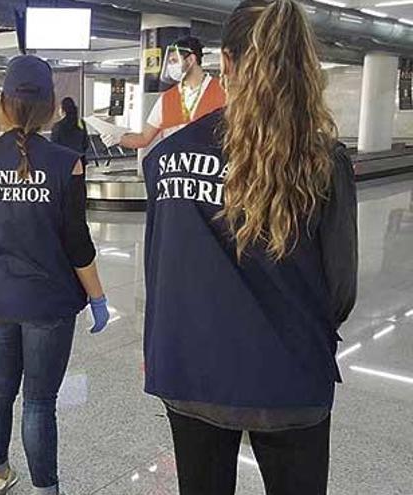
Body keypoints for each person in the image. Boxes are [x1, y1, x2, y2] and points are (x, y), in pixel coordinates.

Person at [141, 1, 358, 494]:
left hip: (189, 369)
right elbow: (340, 288)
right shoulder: (323, 161)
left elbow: (161, 266)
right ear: (304, 63)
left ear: (227, 62)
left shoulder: (169, 158)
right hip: (289, 378)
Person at [0, 55, 110, 495]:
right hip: (48, 302)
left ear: (3, 104)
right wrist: (98, 298)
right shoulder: (67, 162)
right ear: (49, 106)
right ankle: (45, 489)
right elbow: (77, 243)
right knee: (39, 401)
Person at [120, 36, 225, 150]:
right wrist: (119, 138)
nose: (171, 67)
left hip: (210, 164)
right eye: (169, 62)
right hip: (174, 165)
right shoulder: (166, 99)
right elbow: (143, 138)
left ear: (191, 60)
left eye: (174, 61)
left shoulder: (224, 92)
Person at [50, 97, 89, 164]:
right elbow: (86, 143)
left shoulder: (58, 126)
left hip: (64, 161)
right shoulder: (80, 123)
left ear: (63, 110)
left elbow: (54, 145)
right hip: (79, 160)